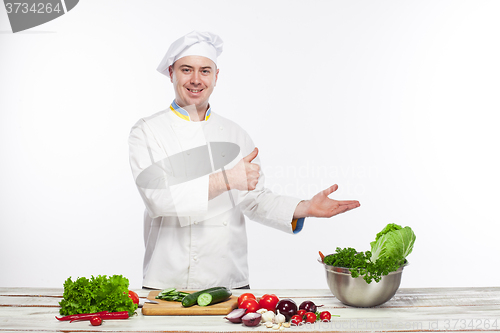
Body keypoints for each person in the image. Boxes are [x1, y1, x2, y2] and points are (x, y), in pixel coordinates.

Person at [128, 31, 360, 290]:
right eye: (186, 70)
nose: (196, 79)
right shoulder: (147, 131)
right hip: (166, 282)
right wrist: (226, 180)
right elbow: (158, 199)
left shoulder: (236, 135)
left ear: (216, 76)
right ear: (172, 73)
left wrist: (304, 207)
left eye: (205, 71)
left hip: (227, 282)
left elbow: (254, 200)